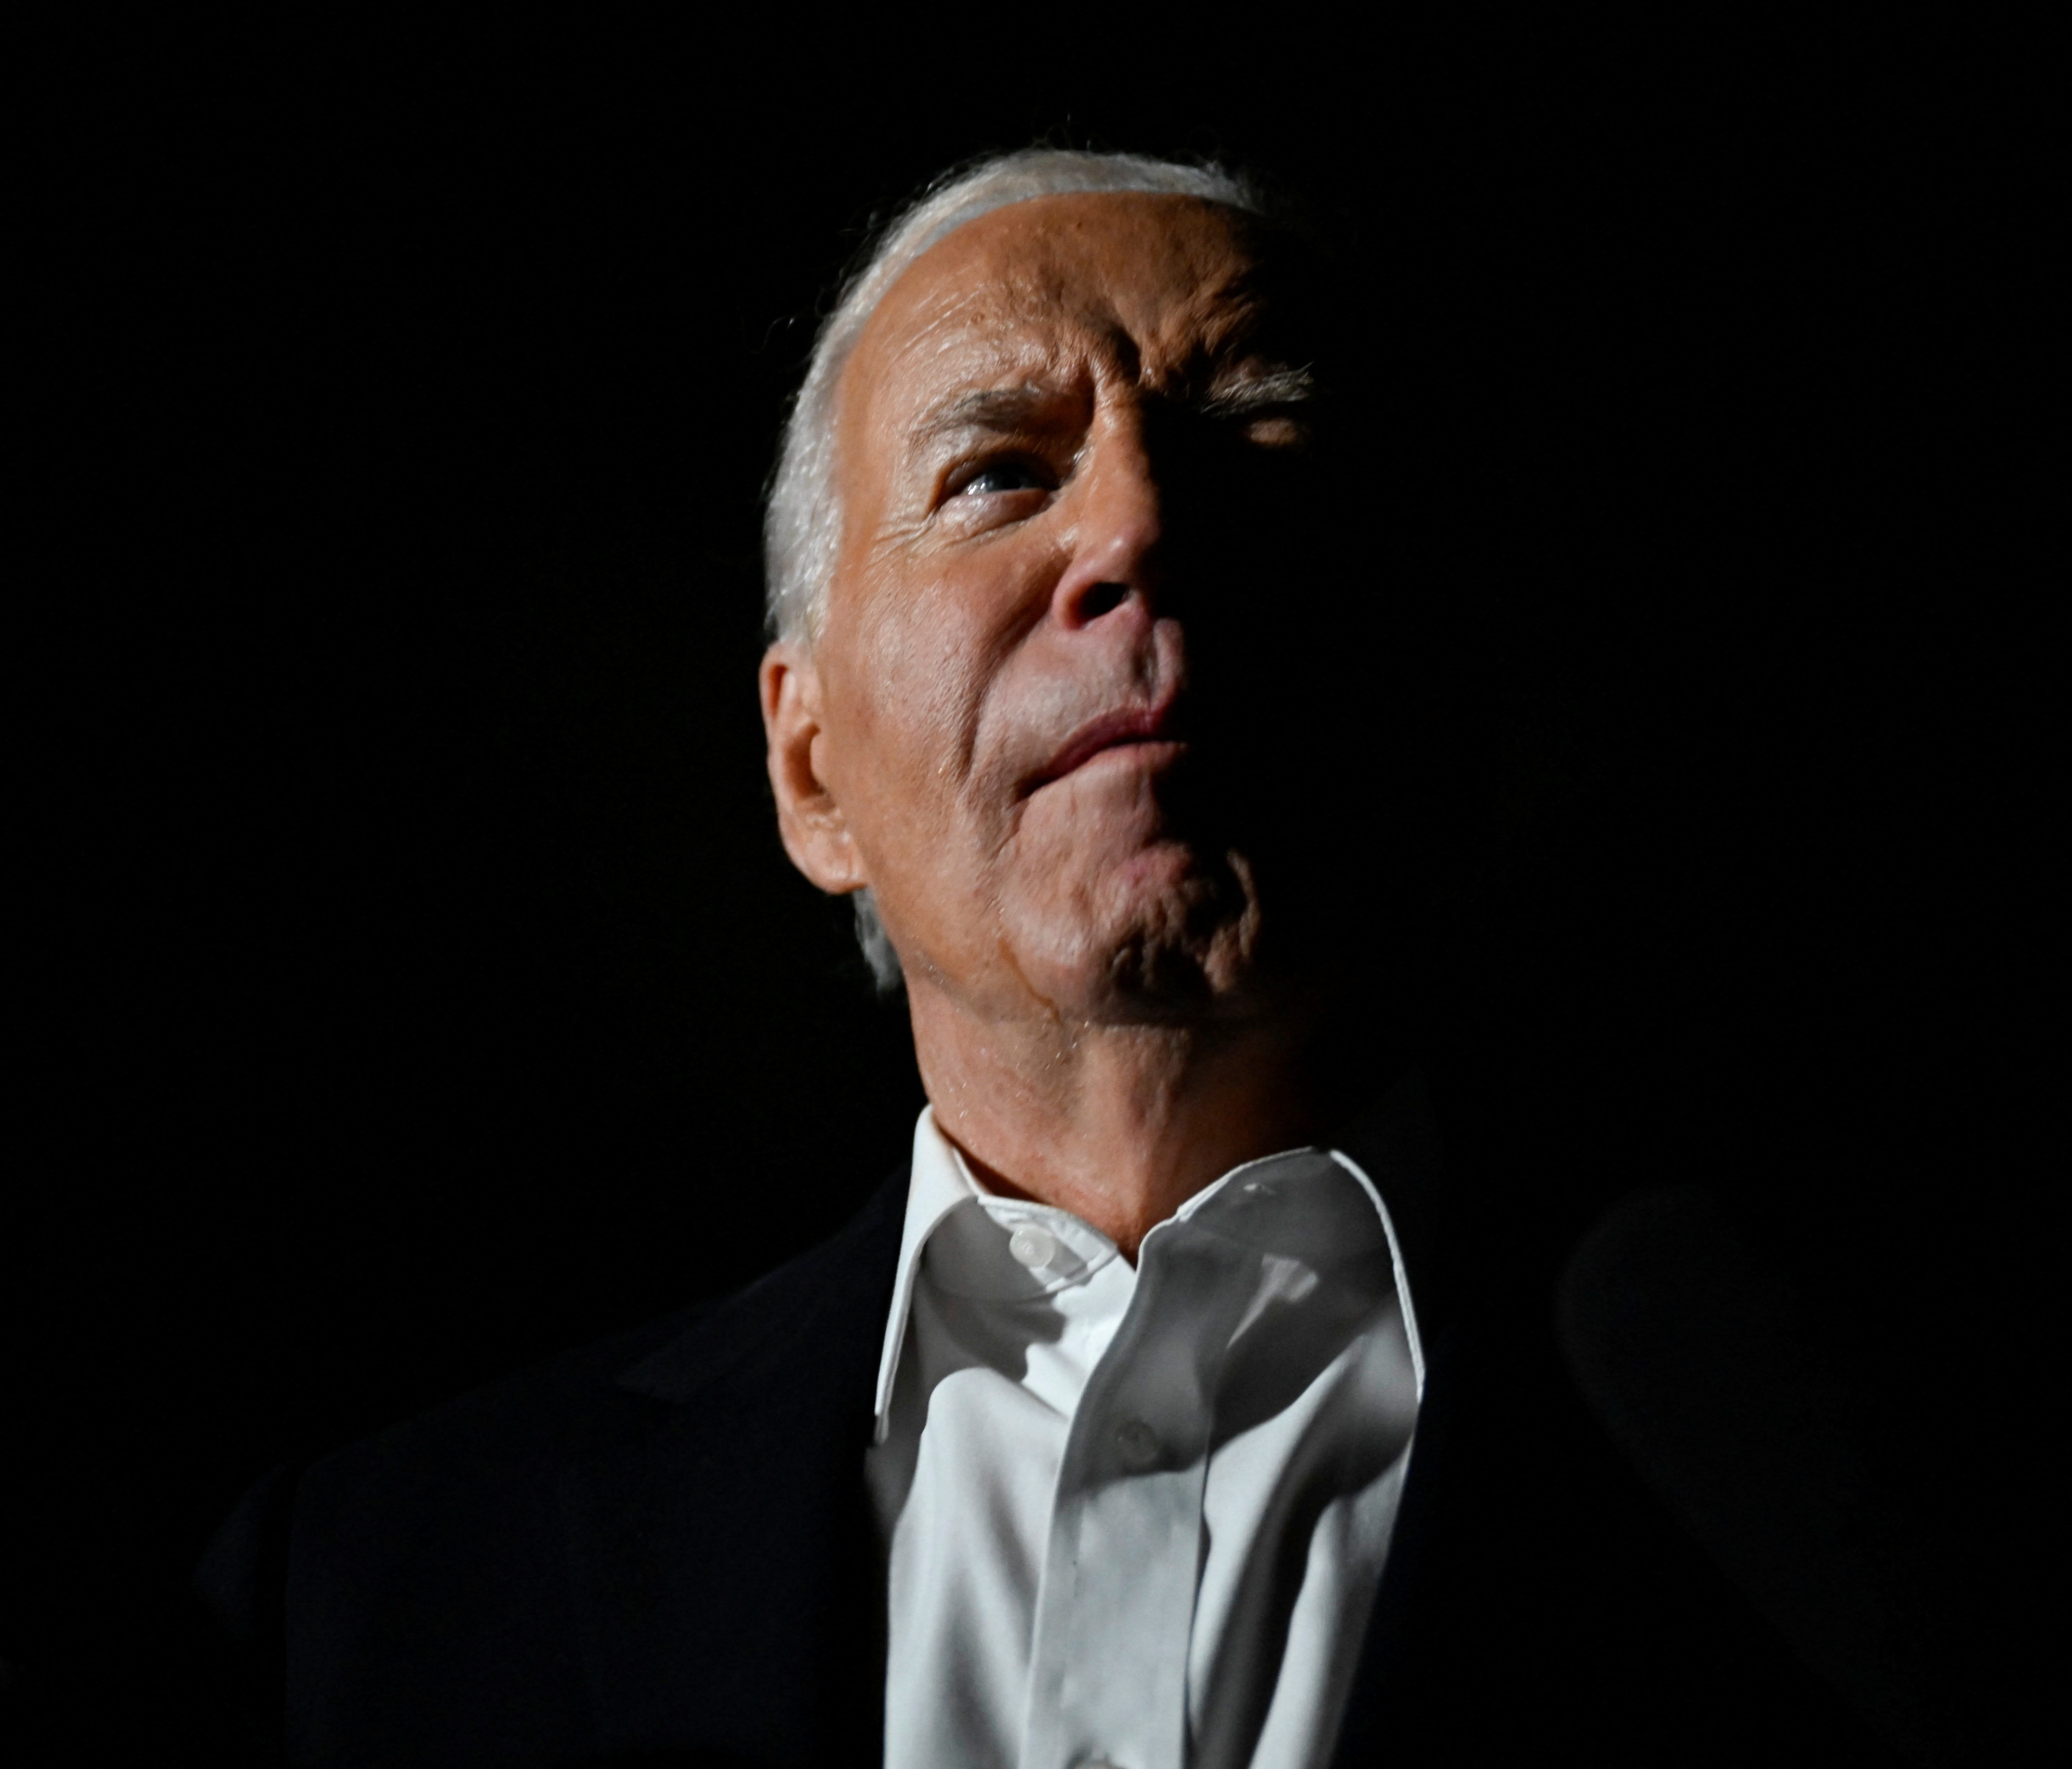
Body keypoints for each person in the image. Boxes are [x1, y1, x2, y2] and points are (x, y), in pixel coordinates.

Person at [196, 151, 1914, 1767]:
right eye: (997, 471)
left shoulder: (1872, 1455)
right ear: (812, 772)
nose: (1138, 531)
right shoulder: (371, 1586)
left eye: (1261, 432)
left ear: (1442, 679)